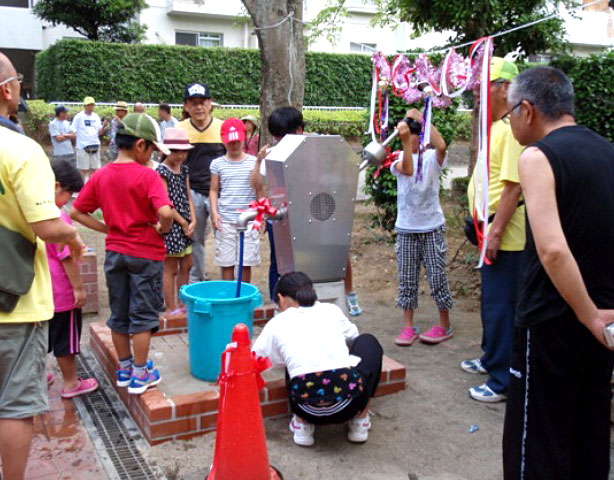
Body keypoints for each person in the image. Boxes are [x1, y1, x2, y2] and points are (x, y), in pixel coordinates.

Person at [501, 67, 614, 479]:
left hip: (551, 324)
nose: (509, 122)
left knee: (537, 445)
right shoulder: (608, 152)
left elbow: (552, 250)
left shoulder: (537, 156)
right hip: (603, 327)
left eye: (508, 113)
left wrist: (587, 315)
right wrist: (602, 318)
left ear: (527, 110)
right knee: (589, 436)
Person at [0, 52, 84, 480]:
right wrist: (74, 236)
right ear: (7, 90)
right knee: (14, 404)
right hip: (13, 301)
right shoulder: (20, 149)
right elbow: (47, 224)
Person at [71, 113, 173, 395]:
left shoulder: (102, 175)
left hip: (116, 252)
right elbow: (165, 212)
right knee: (143, 315)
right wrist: (162, 228)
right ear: (140, 145)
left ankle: (125, 368)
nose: (152, 154)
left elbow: (78, 211)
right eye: (152, 148)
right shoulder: (148, 176)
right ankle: (141, 374)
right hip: (145, 253)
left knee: (119, 313)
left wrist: (107, 228)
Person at [250, 107, 363, 314]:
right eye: (276, 136)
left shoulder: (317, 146)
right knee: (280, 261)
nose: (280, 141)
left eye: (284, 135)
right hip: (286, 216)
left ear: (300, 130)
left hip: (320, 209)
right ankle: (281, 303)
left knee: (335, 250)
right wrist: (258, 162)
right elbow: (258, 184)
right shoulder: (273, 154)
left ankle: (348, 293)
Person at [252, 272, 383, 446]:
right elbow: (354, 336)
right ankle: (360, 419)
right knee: (368, 342)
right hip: (348, 406)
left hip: (305, 408)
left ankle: (302, 424)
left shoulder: (278, 322)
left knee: (292, 362)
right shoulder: (330, 310)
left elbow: (257, 357)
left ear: (281, 298)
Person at [462, 57, 525, 403]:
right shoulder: (498, 126)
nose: (476, 95)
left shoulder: (514, 127)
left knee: (503, 304)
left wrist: (497, 232)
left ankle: (502, 380)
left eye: (482, 87)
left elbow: (514, 188)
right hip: (490, 230)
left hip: (509, 236)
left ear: (503, 88)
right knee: (492, 301)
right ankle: (491, 359)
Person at [391, 109, 454, 346]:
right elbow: (407, 169)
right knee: (407, 278)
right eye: (408, 136)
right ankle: (409, 327)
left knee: (438, 276)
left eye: (415, 135)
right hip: (407, 228)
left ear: (422, 137)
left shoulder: (431, 158)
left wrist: (423, 117)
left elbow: (442, 145)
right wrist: (406, 142)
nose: (411, 139)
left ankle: (445, 325)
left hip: (432, 227)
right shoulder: (397, 156)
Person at [47, 159, 99, 398]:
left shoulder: (37, 215)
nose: (69, 199)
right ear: (57, 186)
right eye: (69, 193)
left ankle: (39, 375)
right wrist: (79, 289)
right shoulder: (60, 218)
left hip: (42, 292)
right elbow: (67, 258)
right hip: (62, 293)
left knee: (42, 336)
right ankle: (71, 383)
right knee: (66, 340)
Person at [177, 83, 225, 283]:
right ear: (186, 106)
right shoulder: (179, 129)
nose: (198, 107)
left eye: (202, 102)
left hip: (220, 193)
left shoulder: (222, 127)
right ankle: (196, 279)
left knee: (225, 237)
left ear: (210, 104)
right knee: (195, 238)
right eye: (193, 103)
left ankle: (228, 278)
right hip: (192, 191)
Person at [210, 118, 260, 282]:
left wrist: (260, 215)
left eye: (237, 140)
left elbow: (258, 188)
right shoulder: (217, 164)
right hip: (226, 219)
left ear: (244, 137)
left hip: (248, 219)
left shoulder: (253, 162)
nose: (234, 144)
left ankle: (244, 295)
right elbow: (214, 190)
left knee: (245, 262)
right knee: (226, 262)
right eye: (230, 141)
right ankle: (229, 295)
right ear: (223, 141)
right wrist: (215, 213)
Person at [156, 128, 195, 318]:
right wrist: (183, 223)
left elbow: (188, 195)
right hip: (171, 226)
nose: (180, 155)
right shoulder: (161, 171)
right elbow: (165, 203)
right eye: (175, 151)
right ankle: (171, 307)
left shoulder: (185, 169)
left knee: (187, 264)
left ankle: (183, 302)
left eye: (184, 151)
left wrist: (193, 219)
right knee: (170, 268)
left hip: (186, 223)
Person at [71, 96, 108, 180]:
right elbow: (73, 130)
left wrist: (104, 127)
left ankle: (92, 188)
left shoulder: (96, 117)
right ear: (85, 106)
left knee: (95, 169)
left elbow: (100, 132)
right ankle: (82, 188)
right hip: (82, 146)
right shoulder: (79, 117)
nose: (90, 107)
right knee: (83, 170)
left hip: (95, 144)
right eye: (88, 105)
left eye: (92, 105)